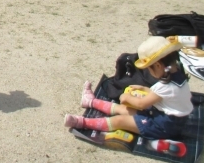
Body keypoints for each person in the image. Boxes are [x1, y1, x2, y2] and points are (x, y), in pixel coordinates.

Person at [64, 36, 193, 140]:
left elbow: (141, 104)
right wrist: (144, 89)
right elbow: (162, 95)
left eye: (149, 69)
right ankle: (90, 101)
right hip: (166, 117)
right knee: (123, 109)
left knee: (120, 120)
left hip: (165, 125)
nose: (150, 72)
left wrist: (125, 97)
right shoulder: (177, 76)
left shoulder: (165, 86)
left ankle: (82, 123)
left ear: (158, 65)